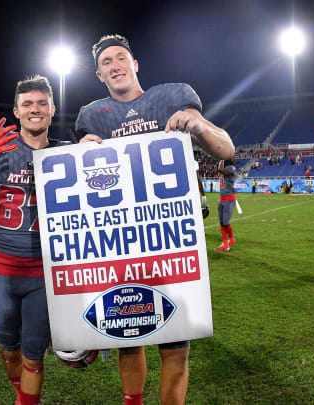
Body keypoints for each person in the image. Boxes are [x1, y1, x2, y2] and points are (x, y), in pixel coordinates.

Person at [75, 34, 235, 405]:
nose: (115, 65)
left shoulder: (171, 96)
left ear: (135, 64)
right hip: (121, 242)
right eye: (106, 63)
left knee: (175, 346)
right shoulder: (92, 115)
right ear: (99, 75)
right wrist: (82, 151)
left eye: (121, 58)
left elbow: (226, 148)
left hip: (172, 238)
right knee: (129, 340)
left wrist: (198, 126)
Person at [0, 74, 104, 405]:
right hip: (1, 268)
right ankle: (19, 394)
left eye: (41, 103)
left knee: (34, 354)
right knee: (9, 348)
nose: (34, 110)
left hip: (44, 272)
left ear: (53, 109)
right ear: (16, 110)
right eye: (27, 104)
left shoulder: (67, 154)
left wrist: (90, 154)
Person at [216, 159, 237, 251]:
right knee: (221, 223)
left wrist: (221, 158)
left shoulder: (230, 169)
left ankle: (232, 239)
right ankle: (225, 244)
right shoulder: (225, 170)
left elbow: (220, 169)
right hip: (222, 199)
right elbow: (220, 171)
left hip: (229, 199)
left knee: (225, 223)